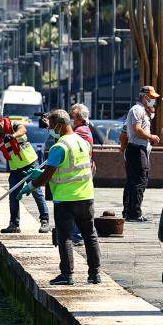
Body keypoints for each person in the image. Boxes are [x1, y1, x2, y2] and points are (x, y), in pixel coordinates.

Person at [30, 109, 102, 286]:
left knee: (65, 237)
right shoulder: (82, 142)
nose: (50, 129)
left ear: (60, 125)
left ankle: (67, 275)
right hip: (86, 196)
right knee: (90, 235)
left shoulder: (59, 147)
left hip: (66, 200)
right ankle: (95, 274)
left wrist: (32, 185)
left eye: (52, 126)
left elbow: (47, 175)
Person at [0, 111, 52, 234]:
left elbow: (23, 130)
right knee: (13, 195)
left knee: (36, 192)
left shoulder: (13, 124)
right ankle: (14, 224)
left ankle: (45, 221)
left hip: (31, 164)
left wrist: (12, 136)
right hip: (15, 169)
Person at [123, 85, 162, 222]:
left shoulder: (143, 111)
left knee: (136, 180)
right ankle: (134, 213)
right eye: (151, 98)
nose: (153, 101)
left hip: (140, 149)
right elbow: (137, 130)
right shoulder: (136, 110)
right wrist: (151, 137)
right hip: (136, 148)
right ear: (145, 97)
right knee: (139, 180)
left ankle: (130, 211)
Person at [69, 104, 96, 245]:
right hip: (81, 172)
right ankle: (76, 235)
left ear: (80, 119)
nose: (70, 120)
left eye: (72, 117)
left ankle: (77, 236)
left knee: (78, 205)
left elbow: (68, 140)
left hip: (81, 173)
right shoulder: (80, 129)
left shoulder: (81, 131)